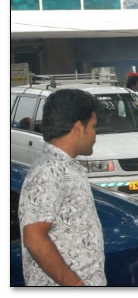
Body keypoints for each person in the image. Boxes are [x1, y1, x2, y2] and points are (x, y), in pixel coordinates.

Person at [18, 89, 106, 286]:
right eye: (93, 127)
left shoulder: (63, 167)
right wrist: (75, 285)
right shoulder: (48, 172)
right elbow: (34, 238)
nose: (95, 135)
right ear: (78, 128)